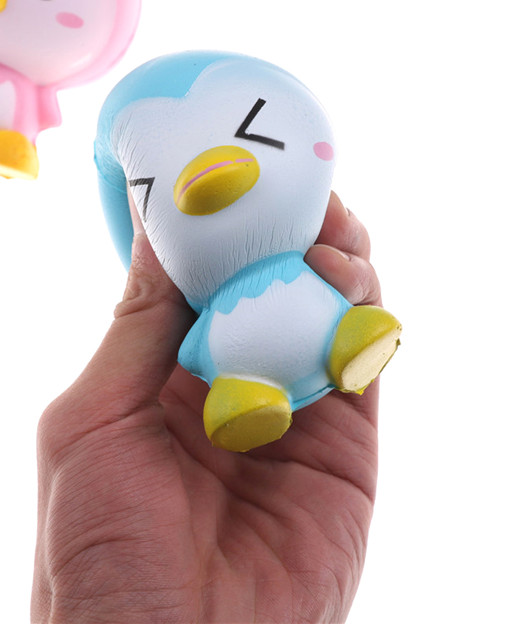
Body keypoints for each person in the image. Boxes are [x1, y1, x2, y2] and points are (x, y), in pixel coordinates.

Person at [32, 193, 384, 623]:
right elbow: (191, 348)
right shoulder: (199, 291)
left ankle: (349, 341)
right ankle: (255, 398)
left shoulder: (299, 249)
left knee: (335, 281)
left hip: (315, 320)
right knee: (323, 287)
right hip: (249, 360)